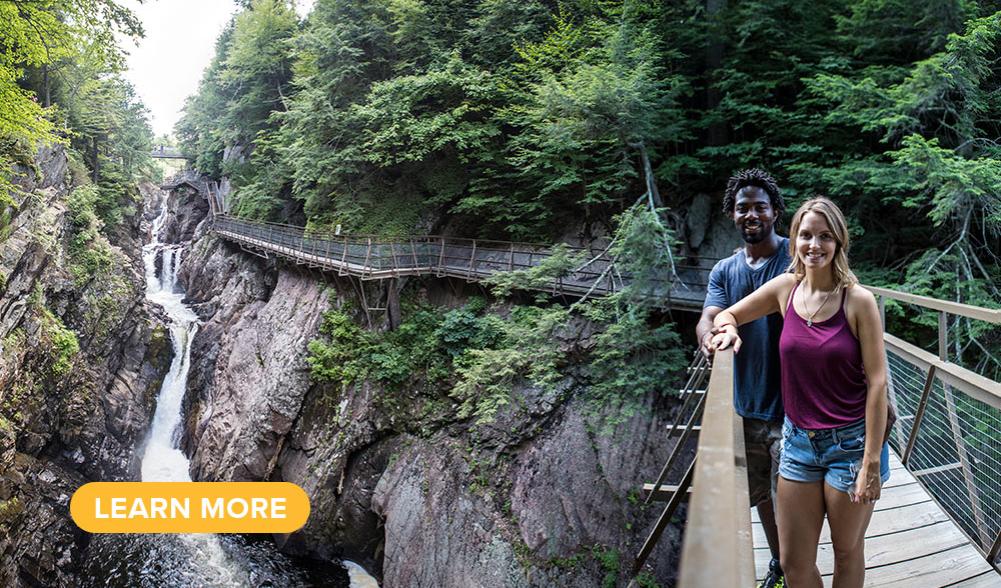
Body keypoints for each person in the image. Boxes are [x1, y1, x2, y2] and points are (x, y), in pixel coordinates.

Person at [711, 197, 890, 588]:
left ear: (839, 242)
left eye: (825, 236)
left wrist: (870, 463)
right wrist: (729, 328)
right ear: (793, 240)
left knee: (846, 552)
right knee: (794, 563)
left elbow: (878, 381)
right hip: (797, 444)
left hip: (850, 445)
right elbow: (728, 312)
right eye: (806, 235)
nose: (814, 245)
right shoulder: (785, 290)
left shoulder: (857, 301)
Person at [695, 168, 789, 588]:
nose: (751, 214)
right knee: (760, 496)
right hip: (744, 404)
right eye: (743, 208)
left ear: (774, 212)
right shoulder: (724, 271)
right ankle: (780, 562)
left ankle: (798, 563)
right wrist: (708, 337)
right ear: (731, 215)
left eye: (759, 207)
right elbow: (708, 316)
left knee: (790, 495)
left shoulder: (796, 256)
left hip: (793, 406)